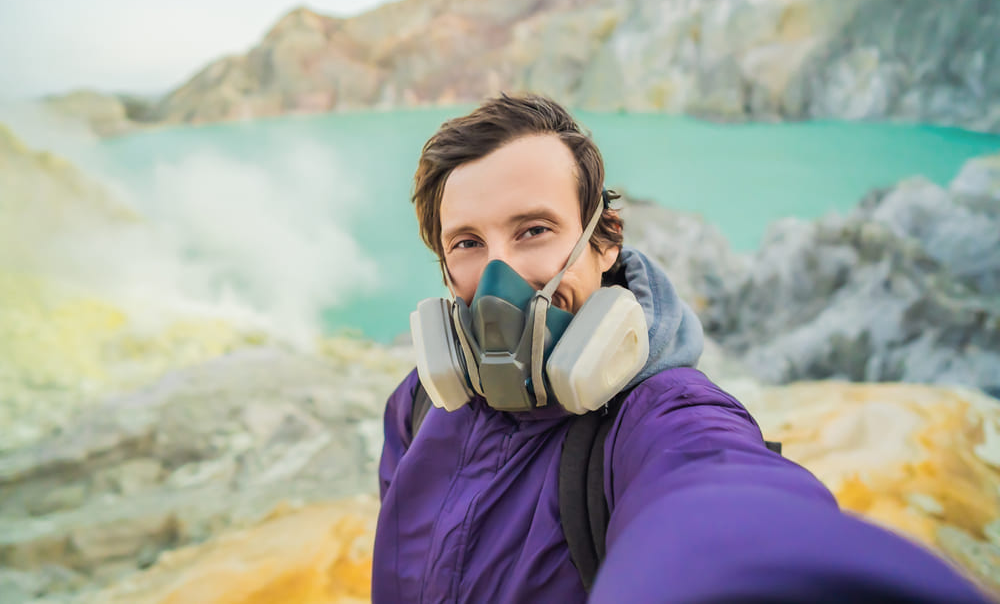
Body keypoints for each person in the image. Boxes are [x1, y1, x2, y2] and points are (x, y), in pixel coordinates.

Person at [372, 93, 990, 603]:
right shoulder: (422, 404)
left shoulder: (662, 417)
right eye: (467, 243)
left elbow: (725, 512)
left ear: (604, 239)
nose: (500, 274)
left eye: (534, 230)